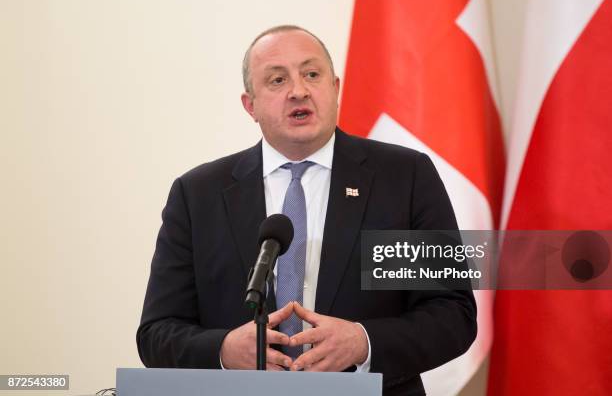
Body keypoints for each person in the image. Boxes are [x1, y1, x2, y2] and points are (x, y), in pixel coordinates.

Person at [137, 25, 477, 396]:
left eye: (311, 74)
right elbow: (157, 332)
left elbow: (451, 313)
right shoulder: (198, 194)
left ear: (335, 88)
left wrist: (363, 342)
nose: (298, 90)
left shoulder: (403, 179)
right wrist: (223, 351)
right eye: (277, 80)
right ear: (250, 106)